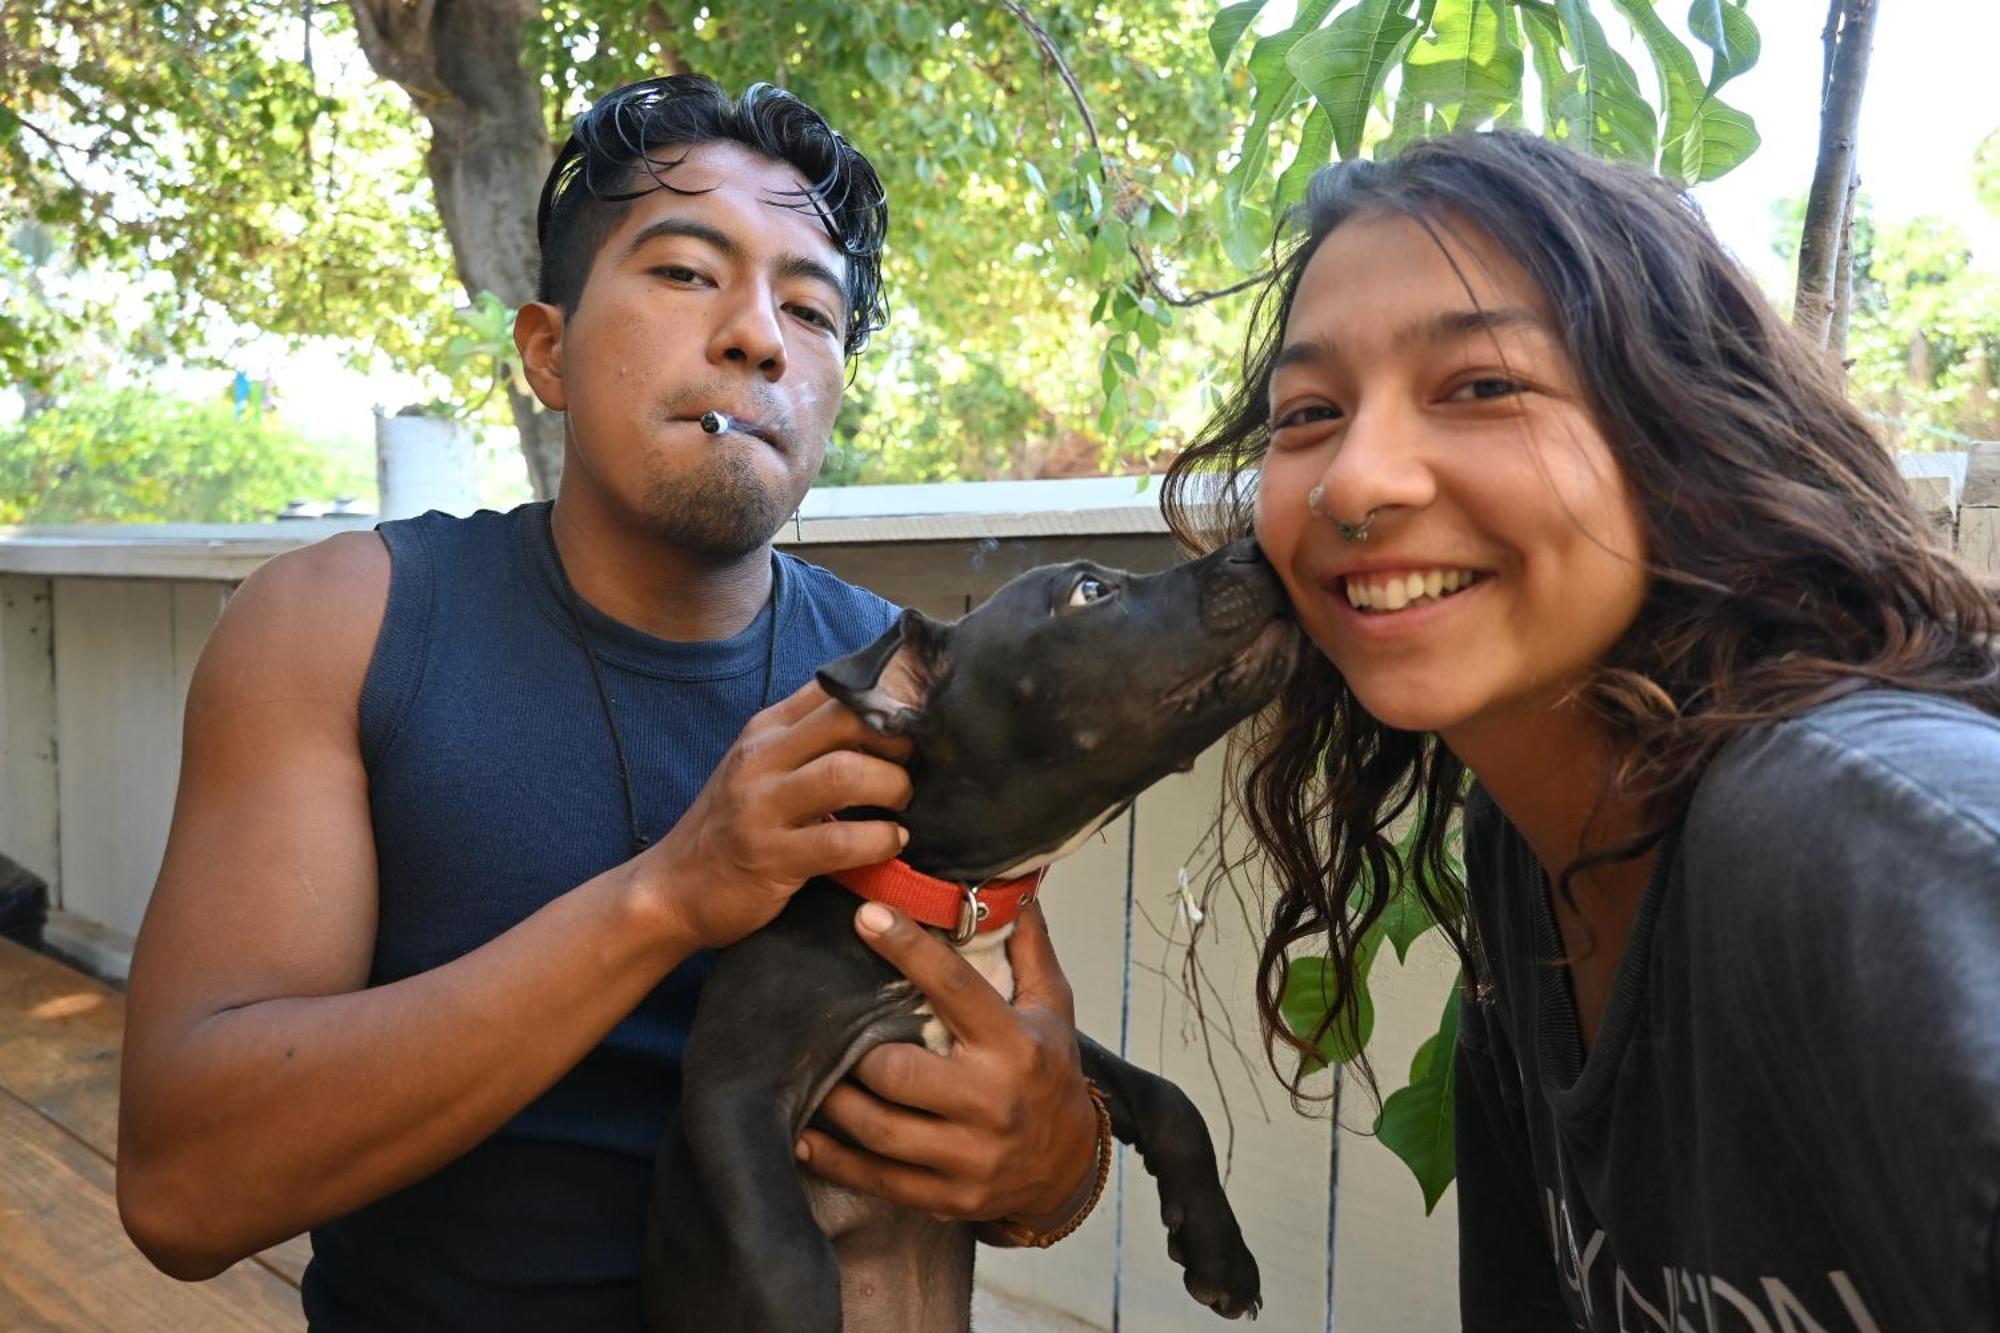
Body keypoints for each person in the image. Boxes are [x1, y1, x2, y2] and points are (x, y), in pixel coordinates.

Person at [117, 75, 1103, 1328]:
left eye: (810, 307)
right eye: (689, 273)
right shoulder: (341, 628)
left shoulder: (905, 679)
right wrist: (668, 893)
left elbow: (1011, 1098)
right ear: (546, 351)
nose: (757, 335)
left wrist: (1052, 1166)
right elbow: (182, 1189)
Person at [1162, 131, 2000, 1330]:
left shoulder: (1852, 830)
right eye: (1308, 411)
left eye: (1482, 386)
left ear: (1683, 433)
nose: (1355, 481)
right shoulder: (1523, 842)